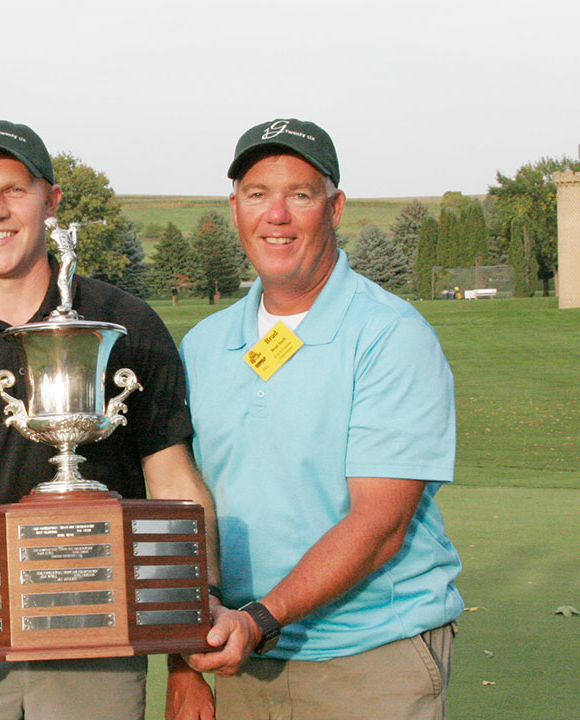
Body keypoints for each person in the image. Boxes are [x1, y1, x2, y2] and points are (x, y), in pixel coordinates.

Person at [0, 120, 218, 720]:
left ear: (51, 201)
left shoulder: (123, 326)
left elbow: (175, 489)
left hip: (98, 643)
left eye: (15, 190)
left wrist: (187, 654)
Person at [169, 118, 463, 720]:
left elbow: (380, 523)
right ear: (235, 208)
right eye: (257, 194)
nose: (275, 215)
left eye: (299, 195)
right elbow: (181, 509)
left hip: (370, 656)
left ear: (334, 208)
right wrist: (182, 663)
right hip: (240, 656)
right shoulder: (203, 344)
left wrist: (259, 620)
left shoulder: (390, 335)